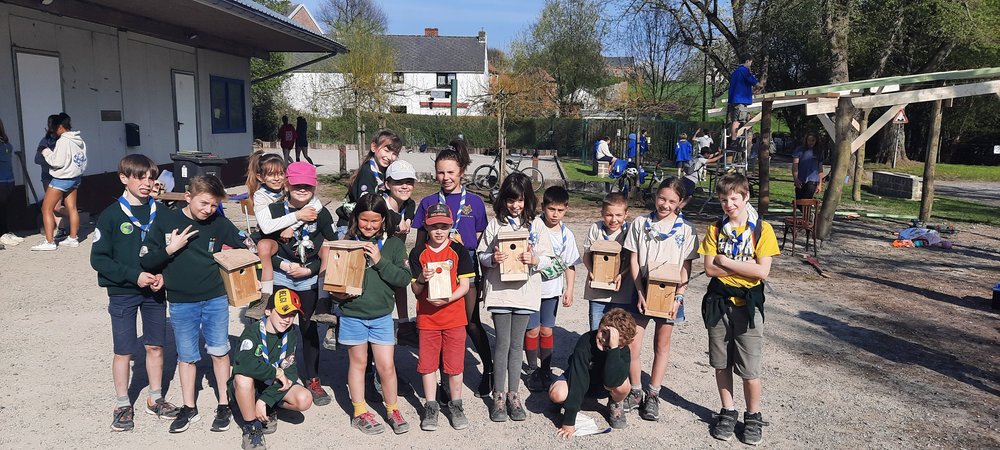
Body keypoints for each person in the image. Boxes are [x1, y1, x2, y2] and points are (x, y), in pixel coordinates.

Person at [140, 175, 251, 433]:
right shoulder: (166, 220)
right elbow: (146, 260)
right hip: (181, 301)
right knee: (187, 356)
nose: (208, 210)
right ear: (188, 197)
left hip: (215, 297)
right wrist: (171, 248)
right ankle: (189, 406)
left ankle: (224, 403)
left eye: (213, 205)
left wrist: (253, 247)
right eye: (203, 204)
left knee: (219, 350)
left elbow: (245, 242)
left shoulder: (218, 222)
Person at [90, 154, 178, 431]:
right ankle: (122, 403)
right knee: (124, 351)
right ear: (123, 178)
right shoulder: (111, 215)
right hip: (123, 291)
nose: (146, 182)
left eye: (150, 177)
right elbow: (99, 259)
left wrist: (164, 274)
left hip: (153, 291)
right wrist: (133, 276)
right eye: (139, 177)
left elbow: (173, 251)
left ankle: (155, 397)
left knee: (155, 345)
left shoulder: (161, 212)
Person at [698, 173, 779, 445]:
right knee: (721, 363)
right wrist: (733, 265)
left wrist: (726, 261)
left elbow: (762, 271)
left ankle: (753, 416)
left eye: (734, 198)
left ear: (745, 197)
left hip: (749, 307)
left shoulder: (761, 230)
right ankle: (728, 411)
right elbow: (709, 268)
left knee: (749, 368)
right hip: (719, 304)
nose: (728, 204)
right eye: (723, 199)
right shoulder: (715, 229)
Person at [412, 143, 493, 398]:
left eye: (451, 172)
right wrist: (419, 273)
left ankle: (488, 371)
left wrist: (482, 277)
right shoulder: (427, 202)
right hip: (435, 265)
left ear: (462, 172)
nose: (445, 178)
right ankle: (442, 382)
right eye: (440, 172)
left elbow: (481, 242)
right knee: (436, 323)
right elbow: (418, 245)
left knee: (469, 322)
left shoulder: (476, 203)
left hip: (465, 263)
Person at [331, 193, 412, 435]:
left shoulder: (394, 245)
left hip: (381, 318)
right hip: (353, 315)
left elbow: (404, 279)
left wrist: (379, 261)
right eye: (364, 220)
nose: (369, 226)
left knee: (386, 366)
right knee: (358, 364)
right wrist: (338, 296)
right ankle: (359, 411)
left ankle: (393, 409)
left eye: (375, 221)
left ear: (384, 220)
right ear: (356, 218)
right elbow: (334, 282)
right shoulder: (347, 242)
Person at [477, 172, 553, 423]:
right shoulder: (495, 224)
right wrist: (492, 259)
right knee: (502, 344)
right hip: (500, 294)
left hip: (524, 294)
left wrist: (535, 260)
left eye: (520, 200)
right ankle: (498, 396)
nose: (515, 205)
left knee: (516, 345)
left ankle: (513, 395)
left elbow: (548, 258)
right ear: (503, 200)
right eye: (510, 200)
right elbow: (481, 255)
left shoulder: (537, 225)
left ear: (528, 199)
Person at [259, 162, 337, 407]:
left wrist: (310, 269)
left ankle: (313, 378)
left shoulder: (321, 212)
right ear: (287, 183)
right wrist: (283, 266)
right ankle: (273, 378)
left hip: (309, 278)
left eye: (307, 185)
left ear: (314, 186)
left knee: (308, 328)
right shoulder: (273, 210)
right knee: (280, 325)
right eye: (297, 184)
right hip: (283, 276)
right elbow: (264, 247)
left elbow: (332, 245)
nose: (302, 189)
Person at [623, 177, 698, 421]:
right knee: (633, 343)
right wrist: (640, 291)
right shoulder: (641, 223)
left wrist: (679, 296)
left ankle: (653, 394)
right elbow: (633, 259)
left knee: (661, 346)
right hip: (642, 290)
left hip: (670, 294)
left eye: (672, 201)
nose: (665, 204)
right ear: (656, 196)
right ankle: (635, 391)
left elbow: (686, 266)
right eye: (662, 198)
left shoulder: (686, 230)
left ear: (681, 203)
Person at [409, 203, 475, 431]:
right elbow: (416, 291)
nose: (439, 231)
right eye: (434, 226)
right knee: (427, 365)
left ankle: (456, 405)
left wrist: (448, 299)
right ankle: (431, 406)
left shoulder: (459, 251)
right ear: (426, 227)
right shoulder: (418, 252)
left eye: (443, 226)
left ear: (450, 227)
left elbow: (465, 286)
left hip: (454, 318)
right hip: (428, 319)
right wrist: (421, 278)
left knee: (454, 365)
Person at [231, 289, 313, 450]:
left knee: (305, 399)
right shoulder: (252, 332)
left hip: (271, 386)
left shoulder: (290, 333)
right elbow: (243, 363)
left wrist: (265, 400)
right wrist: (276, 372)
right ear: (268, 311)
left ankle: (267, 407)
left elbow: (290, 371)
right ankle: (251, 428)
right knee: (243, 378)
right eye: (283, 313)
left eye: (292, 314)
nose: (287, 319)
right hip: (251, 387)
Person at [243, 151, 322, 319]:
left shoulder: (289, 188)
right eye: (271, 175)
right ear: (260, 177)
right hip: (270, 238)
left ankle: (325, 303)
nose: (277, 178)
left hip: (291, 238)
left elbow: (317, 205)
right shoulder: (261, 196)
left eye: (280, 174)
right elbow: (267, 226)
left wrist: (293, 226)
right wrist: (297, 217)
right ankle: (264, 297)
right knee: (263, 248)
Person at [525, 186, 581, 393]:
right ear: (543, 207)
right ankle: (532, 369)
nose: (555, 214)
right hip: (531, 288)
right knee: (532, 330)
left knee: (547, 329)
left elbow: (570, 264)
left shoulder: (567, 234)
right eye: (551, 209)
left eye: (560, 210)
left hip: (552, 290)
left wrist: (570, 289)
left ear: (566, 209)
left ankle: (545, 369)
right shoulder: (534, 227)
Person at [549, 308, 637, 439]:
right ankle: (566, 402)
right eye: (603, 332)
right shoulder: (586, 341)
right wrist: (569, 420)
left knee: (624, 387)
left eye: (610, 337)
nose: (603, 339)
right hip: (579, 378)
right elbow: (578, 378)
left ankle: (615, 403)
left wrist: (612, 350)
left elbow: (611, 382)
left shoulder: (623, 351)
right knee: (556, 394)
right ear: (599, 326)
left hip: (605, 384)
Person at [32, 112, 87, 251]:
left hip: (61, 179)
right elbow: (82, 160)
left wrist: (45, 151)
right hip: (75, 178)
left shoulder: (63, 140)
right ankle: (73, 238)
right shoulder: (78, 140)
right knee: (72, 208)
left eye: (55, 128)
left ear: (61, 127)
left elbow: (56, 162)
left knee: (46, 208)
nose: (53, 131)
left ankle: (49, 242)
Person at [335, 129, 402, 237]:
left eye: (395, 153)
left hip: (369, 226)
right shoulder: (367, 173)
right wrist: (397, 219)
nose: (390, 157)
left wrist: (407, 217)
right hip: (350, 227)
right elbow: (369, 204)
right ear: (374, 147)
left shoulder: (386, 172)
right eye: (387, 150)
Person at [581, 193, 634, 331]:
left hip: (622, 293)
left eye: (618, 215)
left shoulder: (629, 231)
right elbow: (586, 255)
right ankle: (596, 353)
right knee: (596, 330)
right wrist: (591, 271)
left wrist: (622, 274)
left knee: (620, 331)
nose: (614, 220)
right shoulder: (596, 228)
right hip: (597, 292)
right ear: (602, 213)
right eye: (609, 215)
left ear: (626, 214)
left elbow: (632, 259)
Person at [383, 160, 418, 347]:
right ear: (387, 184)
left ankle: (404, 324)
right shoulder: (380, 205)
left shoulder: (406, 204)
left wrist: (409, 218)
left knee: (401, 282)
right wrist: (398, 222)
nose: (405, 186)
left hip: (395, 258)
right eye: (398, 182)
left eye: (409, 181)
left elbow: (411, 204)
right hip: (378, 262)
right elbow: (386, 215)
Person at [727, 58, 763, 148]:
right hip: (740, 100)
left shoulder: (736, 72)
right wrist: (760, 86)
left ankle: (732, 140)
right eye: (751, 62)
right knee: (737, 121)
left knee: (734, 121)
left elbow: (742, 84)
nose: (751, 65)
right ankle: (733, 142)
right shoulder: (744, 71)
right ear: (747, 61)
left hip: (733, 99)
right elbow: (754, 82)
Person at [0, 119, 19, 246]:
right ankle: (5, 232)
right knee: (4, 208)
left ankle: (3, 234)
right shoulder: (5, 142)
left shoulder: (3, 142)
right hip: (8, 180)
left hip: (2, 180)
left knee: (2, 209)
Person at [792, 132, 824, 200]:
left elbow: (820, 169)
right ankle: (802, 210)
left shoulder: (818, 152)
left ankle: (807, 210)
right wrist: (796, 179)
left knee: (807, 201)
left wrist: (820, 184)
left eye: (813, 140)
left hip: (813, 180)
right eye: (809, 140)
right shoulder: (799, 150)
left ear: (816, 141)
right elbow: (795, 165)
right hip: (800, 179)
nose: (811, 142)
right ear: (806, 140)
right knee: (799, 201)